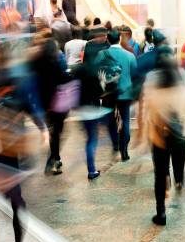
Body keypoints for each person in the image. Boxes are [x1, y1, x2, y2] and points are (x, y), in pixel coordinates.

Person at [0, 37, 48, 242]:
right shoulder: (18, 79)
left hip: (1, 147)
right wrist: (42, 129)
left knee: (16, 197)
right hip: (14, 147)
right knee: (18, 202)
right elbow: (27, 106)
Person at [144, 57, 185, 226]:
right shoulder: (184, 91)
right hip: (181, 136)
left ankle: (161, 213)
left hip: (160, 138)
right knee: (179, 165)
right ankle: (179, 180)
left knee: (159, 174)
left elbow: (149, 117)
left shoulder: (153, 92)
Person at [30, 30, 71, 175]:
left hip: (44, 103)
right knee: (57, 132)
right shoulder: (56, 63)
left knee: (54, 131)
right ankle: (54, 160)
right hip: (59, 103)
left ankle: (54, 158)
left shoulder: (36, 63)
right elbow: (65, 79)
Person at [72, 25, 109, 180]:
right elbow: (100, 92)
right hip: (92, 108)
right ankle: (91, 170)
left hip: (81, 109)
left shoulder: (77, 69)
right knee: (93, 139)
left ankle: (92, 169)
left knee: (90, 139)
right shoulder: (96, 72)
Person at [99, 29, 138, 162]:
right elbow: (134, 74)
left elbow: (97, 72)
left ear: (107, 39)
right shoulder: (129, 55)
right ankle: (124, 150)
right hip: (125, 93)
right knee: (125, 120)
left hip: (108, 93)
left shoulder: (101, 54)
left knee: (110, 119)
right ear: (120, 38)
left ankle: (115, 143)